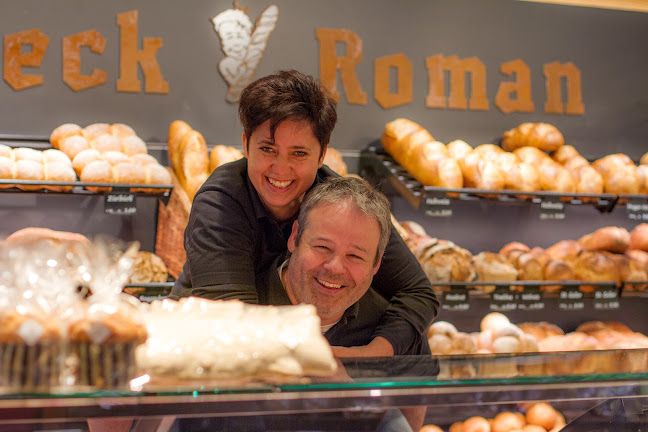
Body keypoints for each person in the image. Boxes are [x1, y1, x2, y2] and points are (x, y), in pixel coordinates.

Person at [169, 69, 439, 357]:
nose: (281, 169)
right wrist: (326, 361)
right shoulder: (220, 202)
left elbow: (418, 293)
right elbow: (238, 327)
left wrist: (372, 354)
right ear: (246, 144)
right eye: (267, 149)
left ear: (322, 155)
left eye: (299, 153)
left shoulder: (340, 203)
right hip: (201, 350)